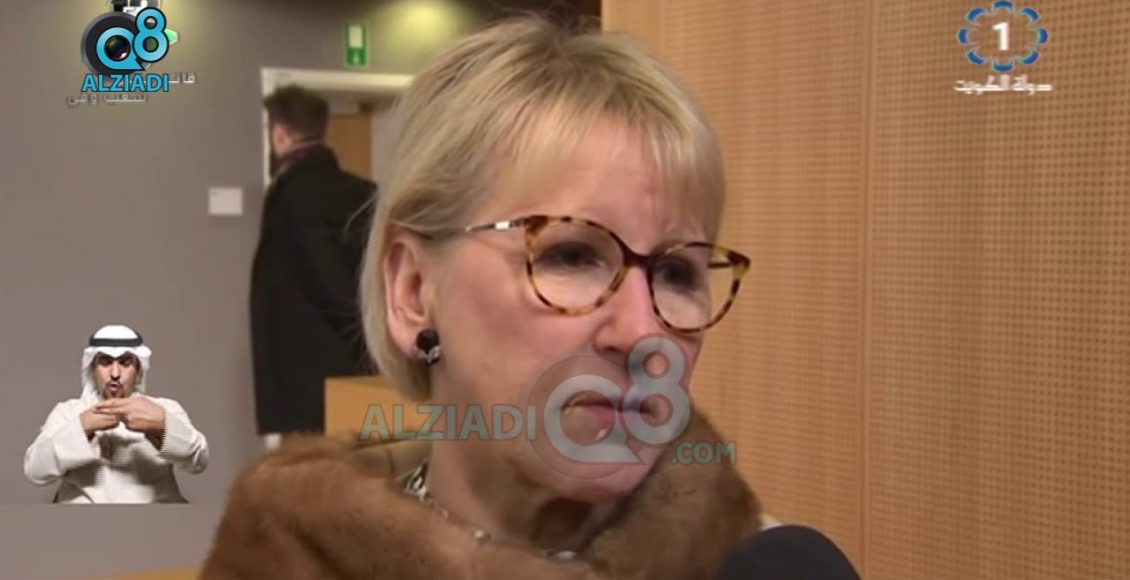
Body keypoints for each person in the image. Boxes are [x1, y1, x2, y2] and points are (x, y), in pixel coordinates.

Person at [203, 18, 769, 579]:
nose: (643, 333)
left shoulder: (758, 562)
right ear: (413, 291)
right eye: (571, 256)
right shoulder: (273, 561)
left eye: (676, 272)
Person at [251, 85, 377, 445]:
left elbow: (325, 279)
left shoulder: (290, 196)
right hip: (358, 368)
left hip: (306, 377)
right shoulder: (361, 192)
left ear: (280, 134)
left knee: (315, 470)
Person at [24, 324, 209, 503]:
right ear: (92, 367)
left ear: (138, 369)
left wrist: (161, 426)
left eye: (125, 362)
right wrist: (82, 427)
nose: (115, 373)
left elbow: (199, 462)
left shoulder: (165, 408)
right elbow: (35, 471)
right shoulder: (68, 412)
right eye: (105, 362)